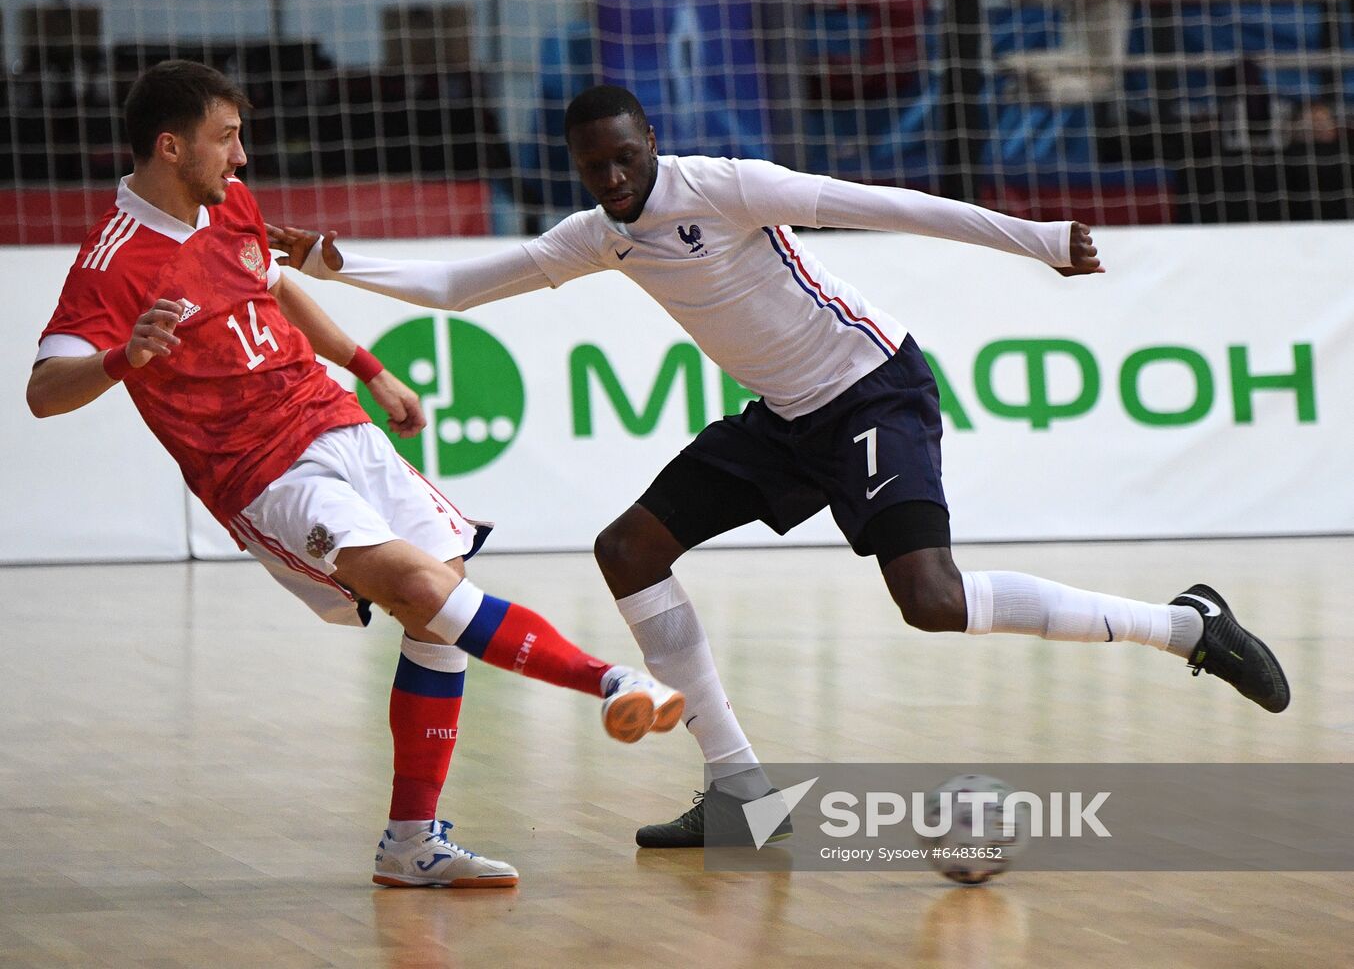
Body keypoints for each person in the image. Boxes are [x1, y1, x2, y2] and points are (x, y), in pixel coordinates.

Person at [267, 83, 1291, 848]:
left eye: (624, 160)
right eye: (595, 169)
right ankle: (740, 792)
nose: (613, 182)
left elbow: (889, 205)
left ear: (650, 143)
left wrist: (1034, 238)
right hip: (784, 418)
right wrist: (327, 259)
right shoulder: (600, 234)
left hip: (872, 386)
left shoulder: (727, 188)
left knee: (928, 600)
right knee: (628, 547)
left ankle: (1189, 627)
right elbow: (455, 283)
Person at [25, 63, 685, 886]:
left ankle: (413, 843)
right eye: (226, 138)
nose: (242, 158)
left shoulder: (227, 203)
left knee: (436, 602)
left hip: (333, 420)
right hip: (260, 471)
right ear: (171, 146)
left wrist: (371, 370)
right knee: (419, 586)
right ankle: (611, 680)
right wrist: (125, 356)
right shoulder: (109, 263)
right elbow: (43, 394)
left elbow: (279, 288)